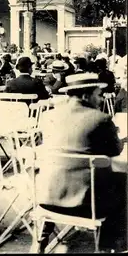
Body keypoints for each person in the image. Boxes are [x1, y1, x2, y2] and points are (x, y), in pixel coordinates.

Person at [37, 73, 126, 252]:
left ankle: (42, 238)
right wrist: (119, 137)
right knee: (123, 180)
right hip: (86, 205)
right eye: (98, 94)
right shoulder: (101, 119)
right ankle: (110, 245)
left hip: (46, 198)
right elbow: (115, 151)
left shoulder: (48, 116)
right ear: (86, 95)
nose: (100, 99)